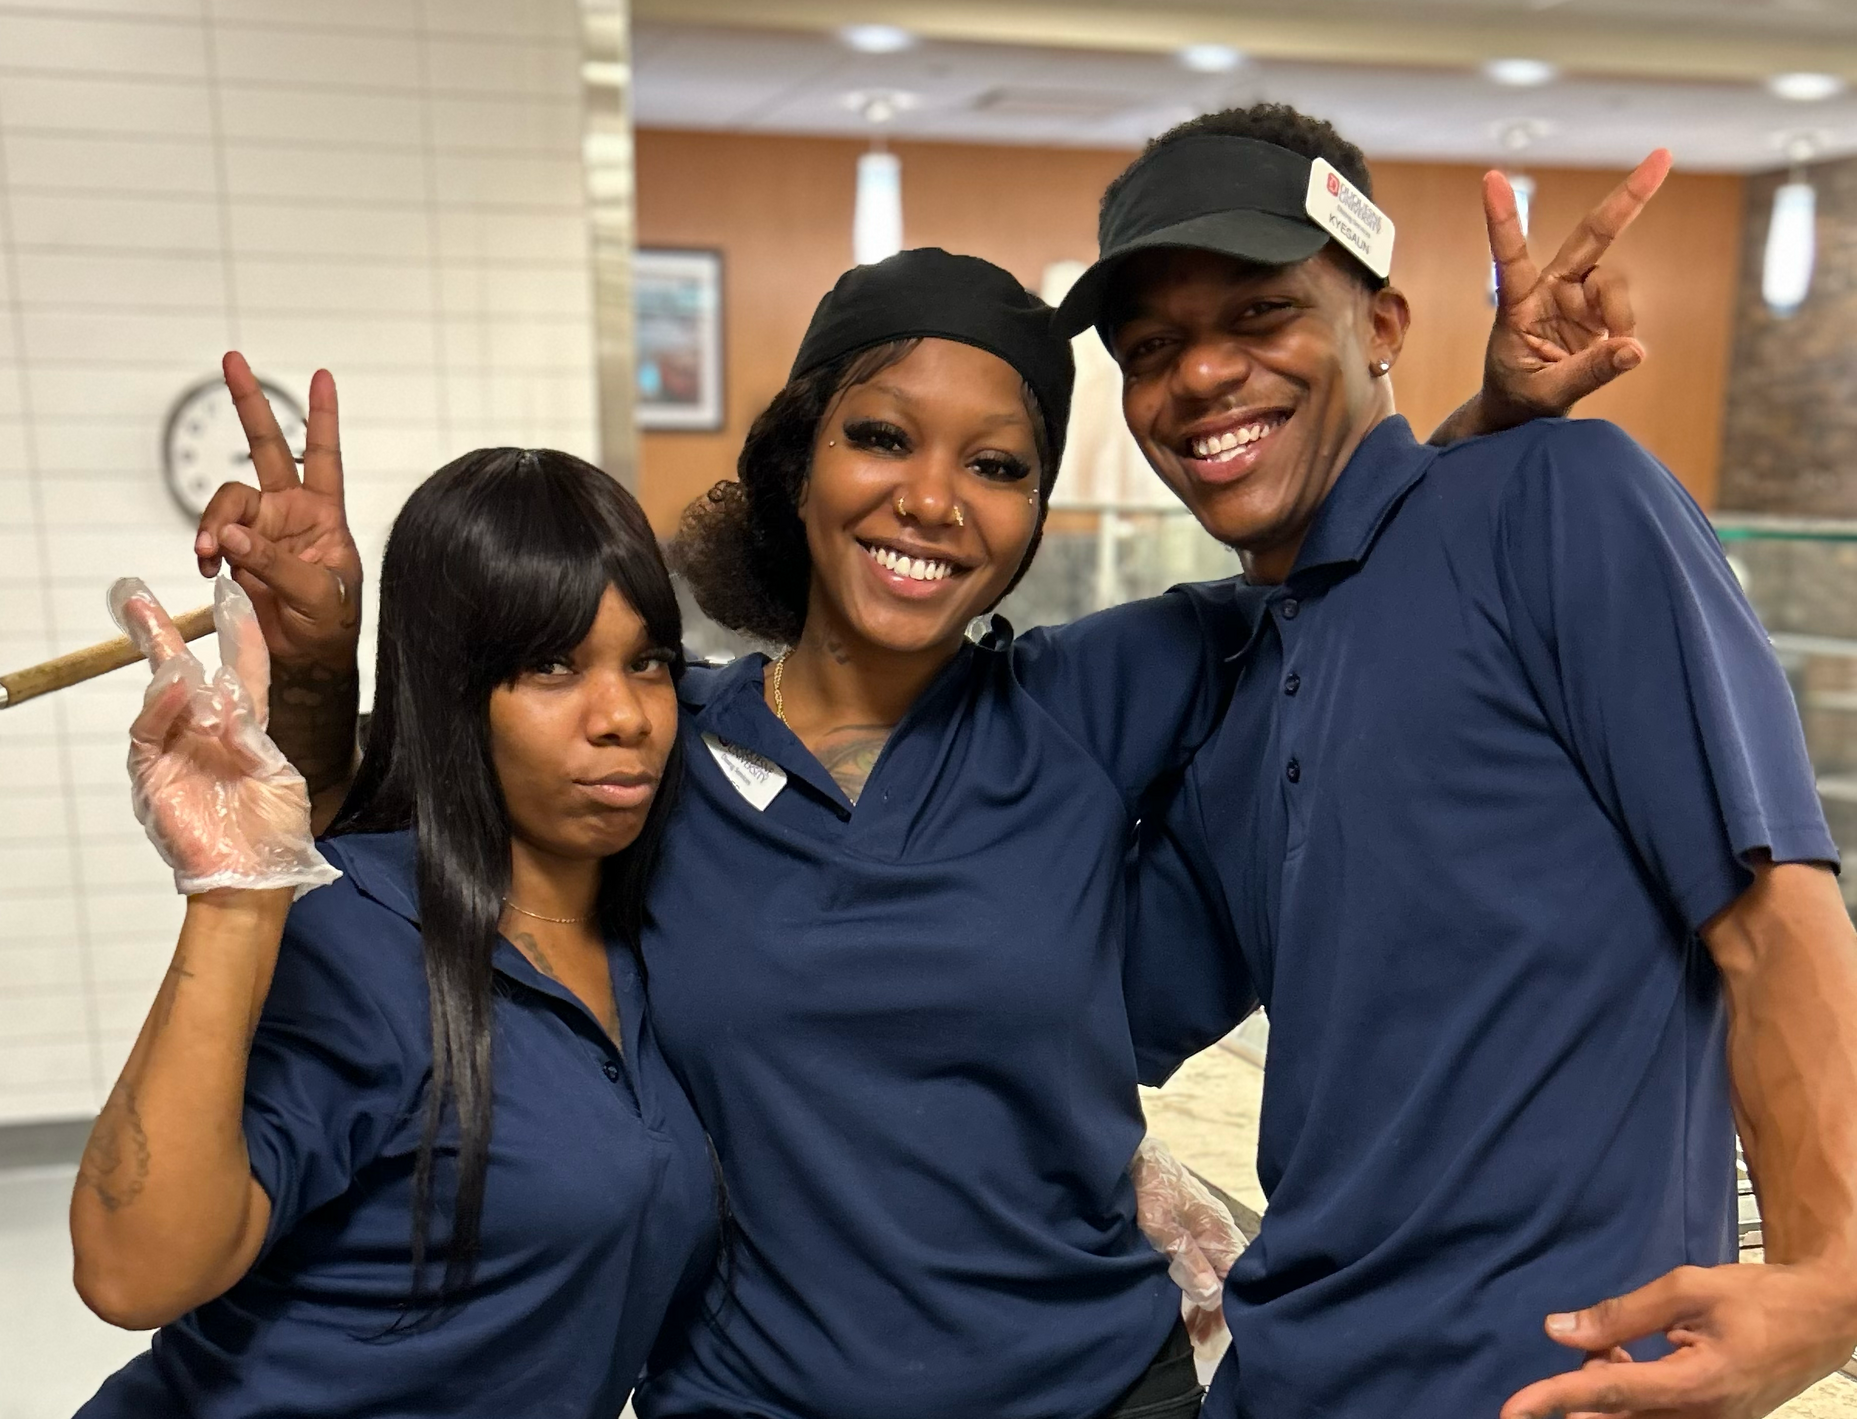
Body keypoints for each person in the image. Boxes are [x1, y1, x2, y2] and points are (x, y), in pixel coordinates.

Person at [195, 190, 1647, 1417]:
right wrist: (318, 654)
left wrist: (1483, 423)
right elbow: (375, 842)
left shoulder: (1093, 700)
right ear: (799, 460)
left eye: (999, 467)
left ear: (1031, 517)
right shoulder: (650, 750)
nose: (935, 501)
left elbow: (1335, 572)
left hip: (1093, 1390)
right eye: (884, 439)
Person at [1060, 107, 1857, 1419]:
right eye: (1152, 348)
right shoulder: (1251, 683)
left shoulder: (1564, 499)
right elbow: (1092, 1022)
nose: (1198, 377)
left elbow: (1773, 914)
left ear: (1380, 324)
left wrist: (1832, 1280)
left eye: (1260, 315)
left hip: (1554, 1387)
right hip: (1288, 1382)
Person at [72, 449, 718, 1419]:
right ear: (455, 694)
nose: (623, 716)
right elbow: (132, 1273)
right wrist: (234, 888)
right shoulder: (364, 940)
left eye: (648, 664)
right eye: (552, 666)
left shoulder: (659, 938)